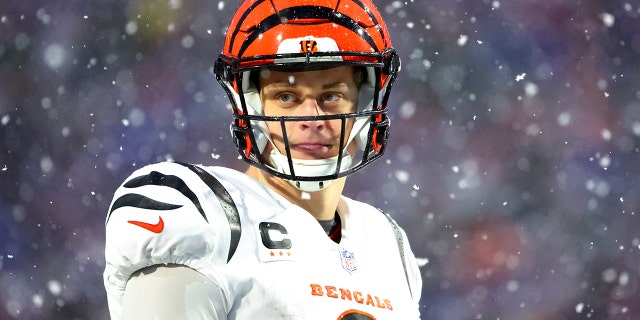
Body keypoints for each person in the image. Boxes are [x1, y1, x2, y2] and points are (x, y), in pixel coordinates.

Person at [103, 0, 422, 319]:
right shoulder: (203, 214)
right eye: (286, 96)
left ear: (367, 101)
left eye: (331, 96)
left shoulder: (386, 242)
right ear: (248, 106)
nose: (312, 118)